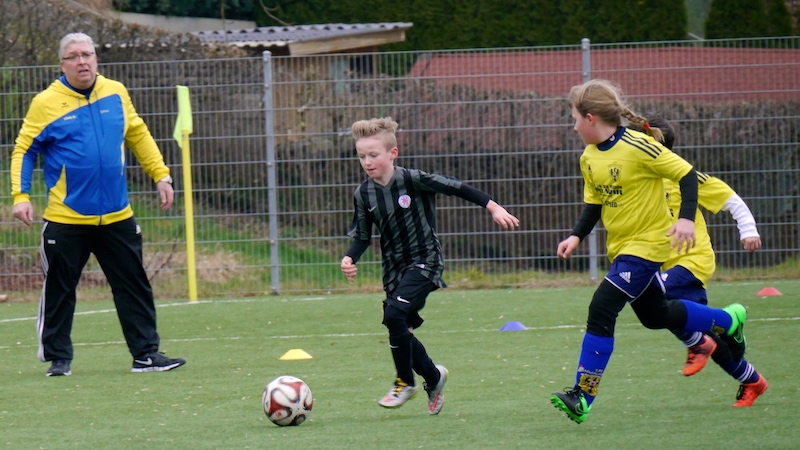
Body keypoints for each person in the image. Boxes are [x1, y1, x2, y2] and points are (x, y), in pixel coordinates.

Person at [551, 79, 749, 424]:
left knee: (602, 307)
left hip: (648, 246)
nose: (574, 126)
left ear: (591, 118)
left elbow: (686, 174)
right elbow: (595, 202)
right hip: (622, 248)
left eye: (575, 119)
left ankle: (583, 396)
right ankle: (727, 321)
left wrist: (685, 219)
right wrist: (576, 236)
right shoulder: (589, 156)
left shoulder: (639, 145)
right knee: (656, 315)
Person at [10, 32, 186, 376]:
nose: (82, 62)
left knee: (133, 285)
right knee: (60, 289)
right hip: (66, 218)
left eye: (87, 54)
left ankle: (145, 355)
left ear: (96, 59)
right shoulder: (45, 102)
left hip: (117, 215)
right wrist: (21, 196)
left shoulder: (116, 92)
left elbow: (138, 134)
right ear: (62, 64)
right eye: (73, 56)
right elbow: (24, 150)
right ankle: (58, 359)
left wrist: (161, 175)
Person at [341, 117, 519, 414]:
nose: (367, 162)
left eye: (373, 155)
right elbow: (362, 236)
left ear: (392, 153)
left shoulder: (412, 180)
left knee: (394, 314)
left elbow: (456, 187)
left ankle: (404, 382)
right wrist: (350, 257)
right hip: (394, 269)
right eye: (362, 156)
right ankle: (434, 378)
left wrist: (493, 206)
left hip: (425, 261)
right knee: (399, 326)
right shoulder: (363, 194)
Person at [629, 117, 767, 407]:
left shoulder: (684, 176)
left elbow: (730, 198)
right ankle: (752, 380)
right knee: (702, 335)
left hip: (694, 259)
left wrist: (748, 230)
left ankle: (728, 318)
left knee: (655, 300)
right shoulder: (639, 182)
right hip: (666, 265)